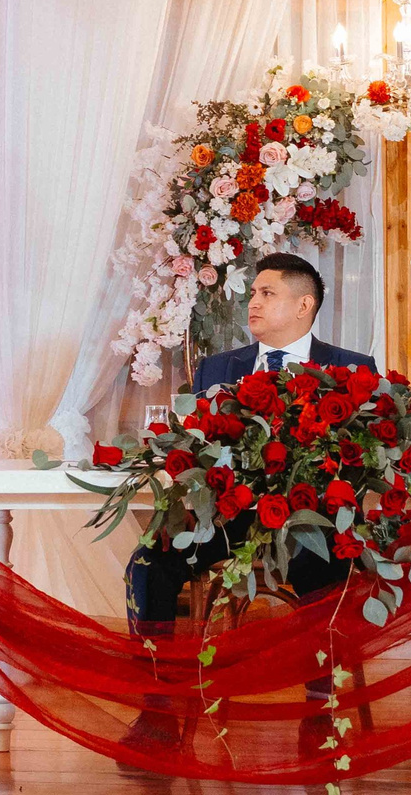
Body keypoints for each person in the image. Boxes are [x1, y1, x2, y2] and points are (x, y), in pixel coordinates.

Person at [126, 253, 377, 636]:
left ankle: (324, 689)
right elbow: (197, 444)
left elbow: (364, 456)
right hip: (231, 517)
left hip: (315, 520)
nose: (253, 302)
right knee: (149, 561)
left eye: (267, 293)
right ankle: (160, 686)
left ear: (304, 305)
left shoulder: (353, 368)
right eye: (253, 293)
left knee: (325, 566)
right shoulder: (217, 368)